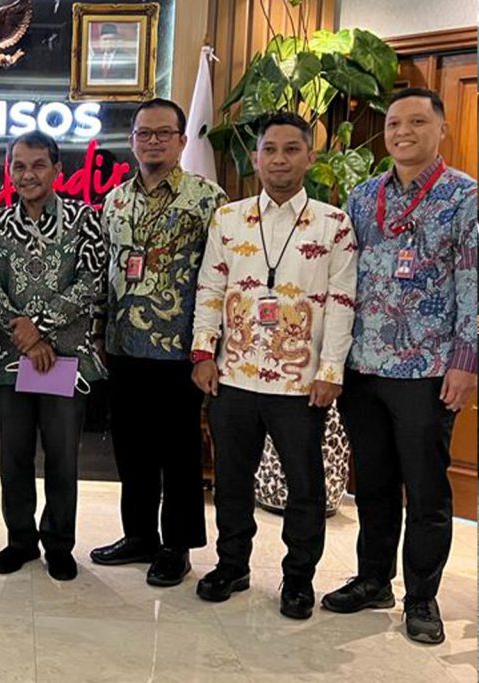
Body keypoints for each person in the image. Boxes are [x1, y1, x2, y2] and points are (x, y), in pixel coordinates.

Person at [320, 87, 477, 645]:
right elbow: (341, 280)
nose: (402, 132)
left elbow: (474, 283)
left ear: (441, 129)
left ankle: (422, 598)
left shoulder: (464, 196)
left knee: (427, 490)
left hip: (428, 369)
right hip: (364, 366)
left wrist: (466, 360)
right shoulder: (363, 196)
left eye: (416, 122)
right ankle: (373, 580)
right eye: (393, 124)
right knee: (374, 483)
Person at [191, 112, 357, 619]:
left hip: (300, 382)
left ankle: (298, 579)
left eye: (291, 149)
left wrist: (330, 371)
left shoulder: (333, 224)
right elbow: (211, 286)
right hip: (233, 375)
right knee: (231, 482)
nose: (279, 159)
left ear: (310, 157)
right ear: (255, 157)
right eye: (269, 149)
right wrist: (203, 352)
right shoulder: (229, 218)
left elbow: (342, 301)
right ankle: (231, 565)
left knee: (305, 487)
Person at [90, 98, 228, 586]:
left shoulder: (208, 199)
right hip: (123, 346)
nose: (153, 141)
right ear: (132, 141)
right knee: (132, 451)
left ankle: (178, 546)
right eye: (144, 133)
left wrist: (208, 347)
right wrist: (99, 333)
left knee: (179, 454)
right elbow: (105, 272)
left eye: (163, 133)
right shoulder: (115, 201)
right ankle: (140, 536)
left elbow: (219, 278)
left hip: (179, 351)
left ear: (181, 140)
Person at [0, 131, 107, 582]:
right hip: (11, 358)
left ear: (57, 169)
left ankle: (58, 543)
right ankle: (20, 540)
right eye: (19, 166)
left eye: (38, 165)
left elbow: (93, 279)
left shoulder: (84, 220)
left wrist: (42, 327)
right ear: (9, 171)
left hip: (64, 359)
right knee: (13, 456)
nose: (28, 174)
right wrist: (26, 337)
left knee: (62, 456)